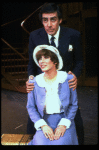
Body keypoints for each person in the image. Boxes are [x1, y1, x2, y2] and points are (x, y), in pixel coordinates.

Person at [26, 3, 84, 144]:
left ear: (60, 20)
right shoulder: (34, 36)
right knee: (34, 130)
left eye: (53, 19)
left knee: (76, 127)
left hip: (65, 87)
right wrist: (30, 79)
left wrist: (75, 75)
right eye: (45, 20)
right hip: (43, 87)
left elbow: (80, 61)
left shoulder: (73, 35)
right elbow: (31, 63)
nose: (49, 24)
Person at [27, 45, 78, 145]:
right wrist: (43, 126)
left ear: (55, 61)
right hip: (44, 120)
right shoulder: (34, 81)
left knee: (60, 143)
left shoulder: (67, 78)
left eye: (46, 57)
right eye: (39, 59)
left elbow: (73, 104)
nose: (41, 61)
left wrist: (64, 124)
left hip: (65, 118)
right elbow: (31, 107)